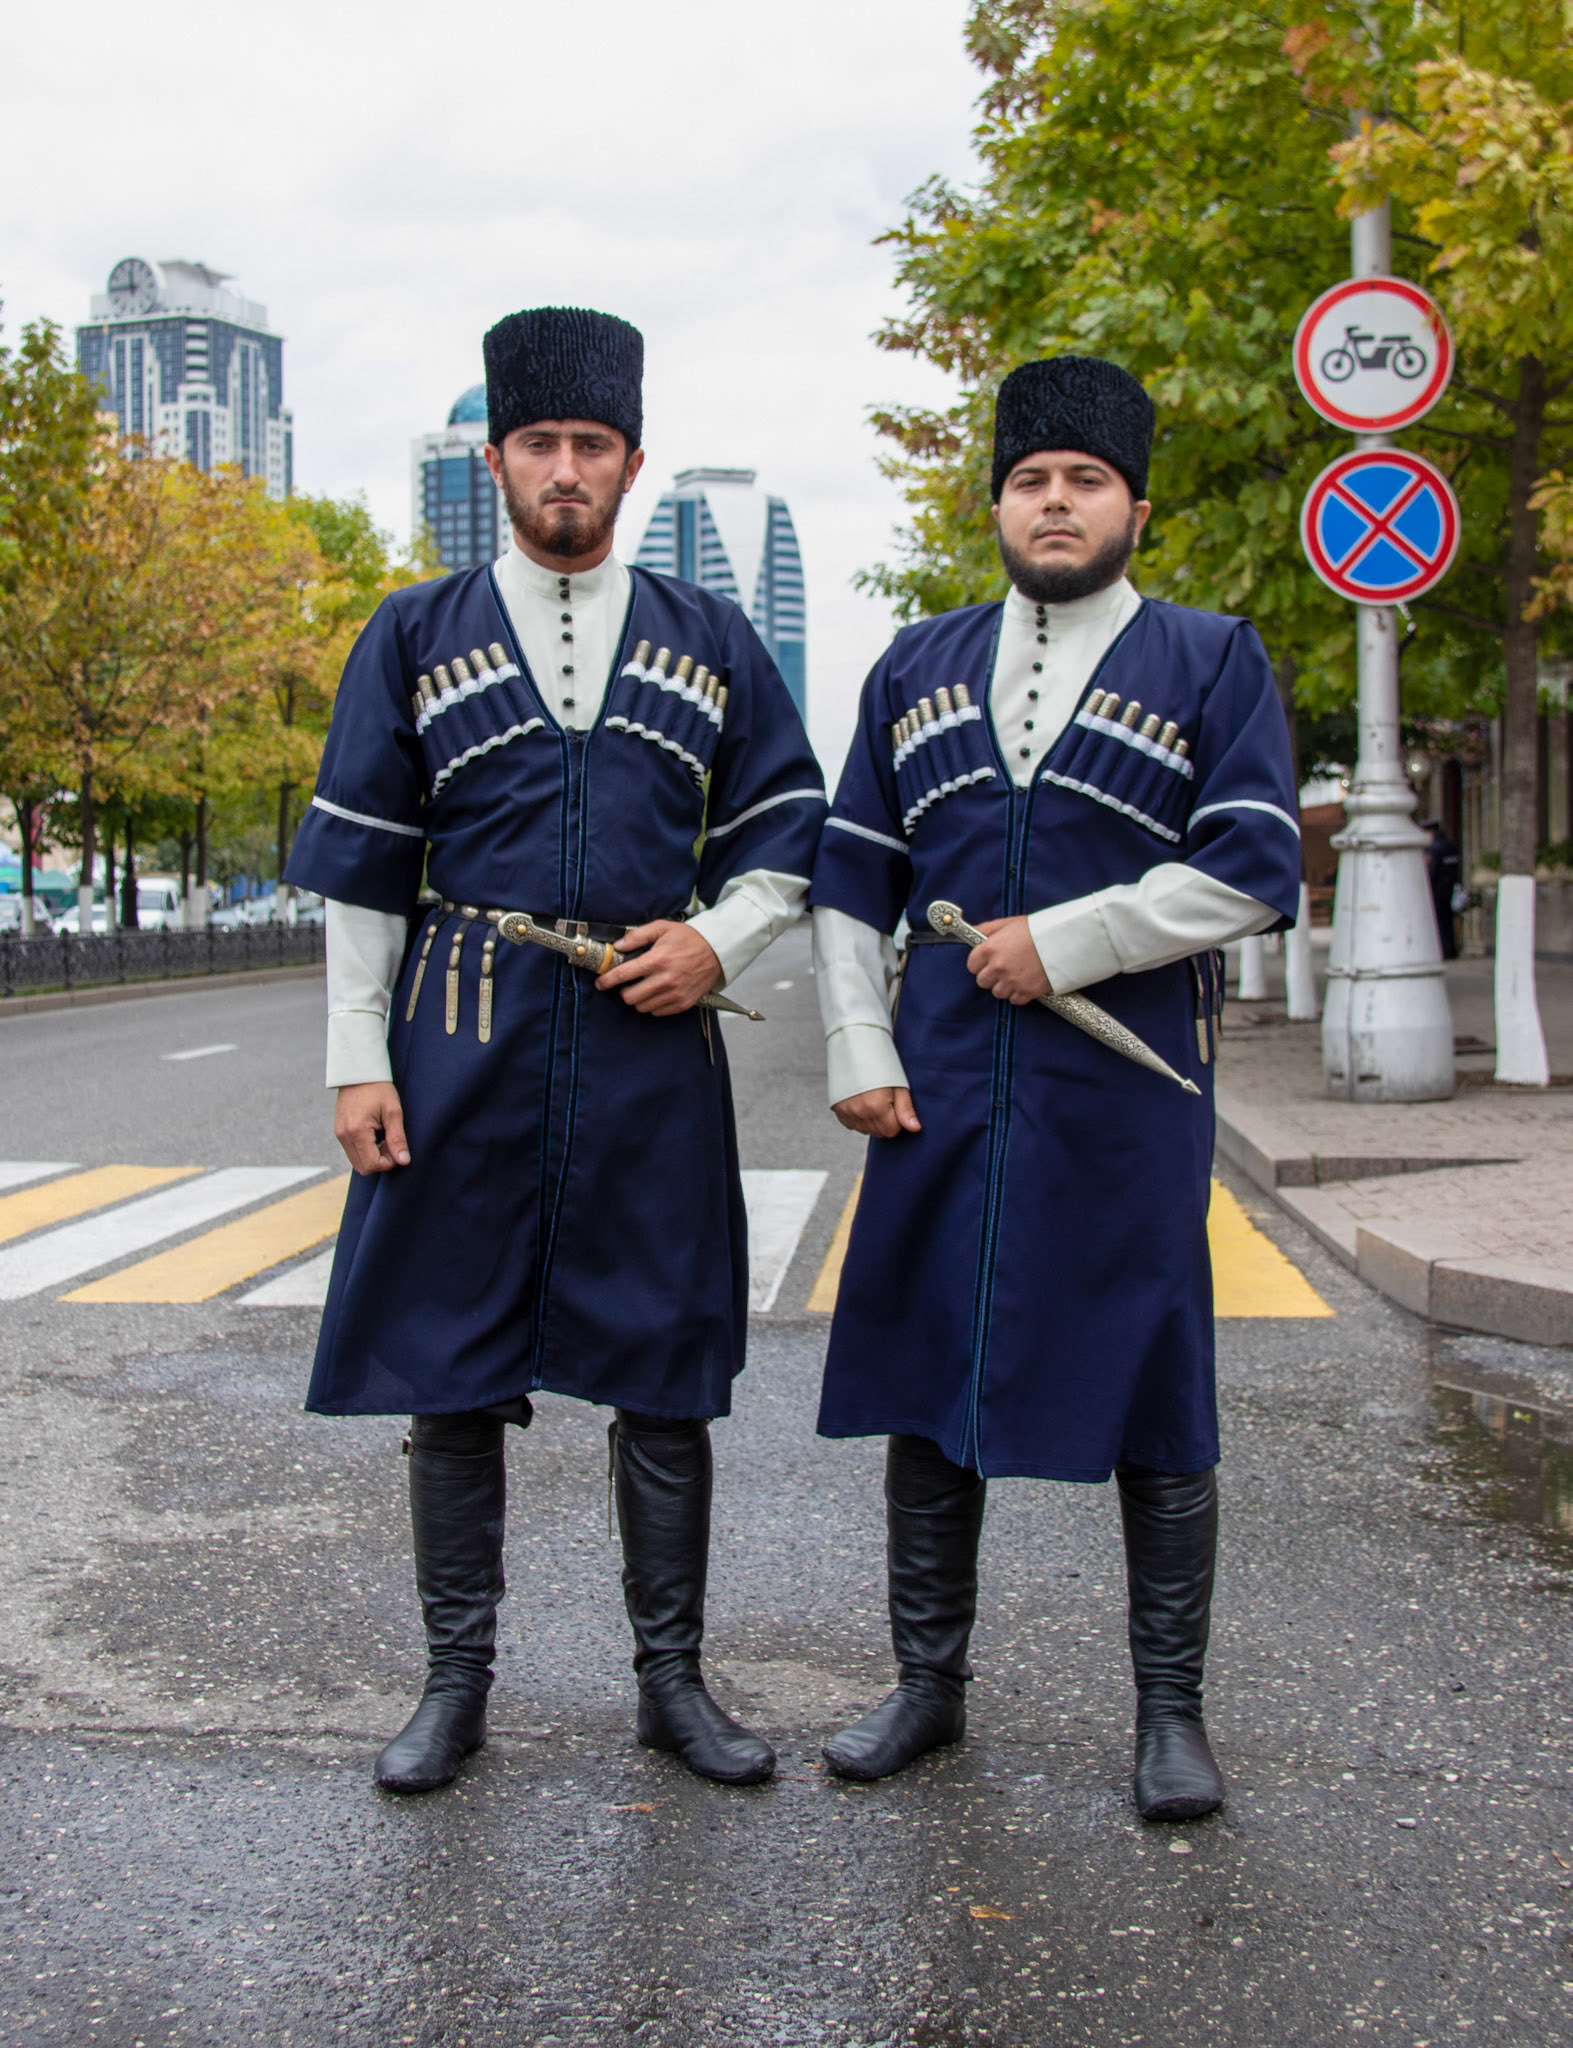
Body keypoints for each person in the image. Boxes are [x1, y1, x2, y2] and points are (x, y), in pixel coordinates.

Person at [284, 306, 827, 1794]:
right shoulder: (413, 632)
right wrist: (355, 1057)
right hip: (459, 1029)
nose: (567, 469)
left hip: (651, 1035)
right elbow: (364, 868)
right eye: (540, 443)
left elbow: (788, 828)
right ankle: (454, 1686)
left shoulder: (711, 638)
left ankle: (672, 1684)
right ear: (498, 459)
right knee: (449, 1364)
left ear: (633, 462)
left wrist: (719, 940)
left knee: (663, 1363)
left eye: (593, 445)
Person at [808, 356, 1302, 1821]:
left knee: (1154, 1372)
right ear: (997, 506)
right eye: (1030, 480)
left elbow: (1252, 867)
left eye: (1086, 480)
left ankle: (1170, 1713)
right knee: (924, 1365)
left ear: (1134, 508)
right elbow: (851, 875)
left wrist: (1068, 940)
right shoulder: (915, 662)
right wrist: (856, 1040)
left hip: (1127, 1083)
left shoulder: (1211, 657)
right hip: (942, 1074)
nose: (1056, 502)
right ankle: (926, 1685)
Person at [1423, 817, 1461, 960]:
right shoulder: (1451, 846)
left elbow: (1431, 871)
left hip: (1437, 890)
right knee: (1448, 920)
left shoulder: (1434, 848)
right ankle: (1451, 949)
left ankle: (1444, 951)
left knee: (1439, 922)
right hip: (1449, 888)